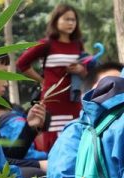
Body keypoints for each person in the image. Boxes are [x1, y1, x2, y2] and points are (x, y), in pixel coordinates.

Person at [17, 4, 86, 152]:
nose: (71, 23)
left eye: (73, 20)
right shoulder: (46, 44)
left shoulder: (78, 44)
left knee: (75, 137)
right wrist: (43, 81)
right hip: (52, 100)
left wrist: (81, 69)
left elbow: (86, 69)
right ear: (56, 20)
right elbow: (22, 64)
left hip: (73, 99)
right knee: (54, 141)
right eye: (67, 19)